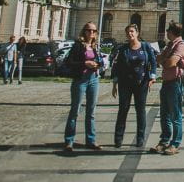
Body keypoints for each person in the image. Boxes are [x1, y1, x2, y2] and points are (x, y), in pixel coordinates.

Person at [111, 24, 157, 148]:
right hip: (124, 84)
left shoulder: (146, 47)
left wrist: (152, 77)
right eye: (128, 32)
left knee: (140, 111)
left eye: (132, 31)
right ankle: (118, 139)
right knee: (123, 110)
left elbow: (153, 62)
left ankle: (140, 138)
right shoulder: (123, 49)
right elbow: (117, 66)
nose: (130, 34)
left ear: (137, 33)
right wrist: (115, 83)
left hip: (141, 83)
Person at [63, 22, 105, 152]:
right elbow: (69, 61)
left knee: (91, 112)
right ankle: (69, 141)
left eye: (94, 31)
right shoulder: (78, 45)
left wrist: (97, 64)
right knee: (75, 110)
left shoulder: (95, 46)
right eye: (89, 30)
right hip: (80, 80)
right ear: (84, 31)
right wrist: (85, 63)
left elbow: (100, 61)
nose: (91, 33)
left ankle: (91, 140)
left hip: (93, 79)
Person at [151, 22, 184, 156]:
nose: (166, 33)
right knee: (164, 114)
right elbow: (158, 59)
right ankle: (164, 141)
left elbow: (170, 62)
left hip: (176, 83)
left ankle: (175, 143)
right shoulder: (170, 45)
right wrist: (165, 59)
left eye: (168, 31)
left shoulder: (181, 45)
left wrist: (165, 60)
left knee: (175, 115)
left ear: (171, 32)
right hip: (166, 82)